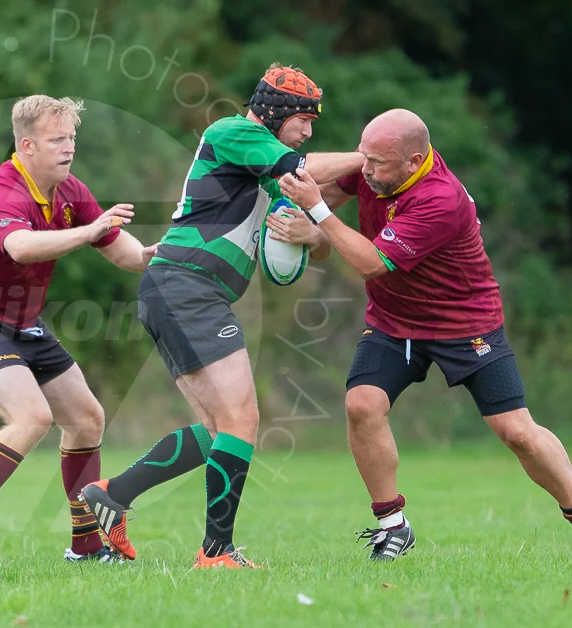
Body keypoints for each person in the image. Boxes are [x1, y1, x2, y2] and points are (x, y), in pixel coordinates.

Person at [265, 108, 572, 560]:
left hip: (464, 323)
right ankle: (392, 526)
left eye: (377, 163)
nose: (368, 172)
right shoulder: (376, 169)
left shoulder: (439, 198)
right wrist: (344, 175)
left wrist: (315, 213)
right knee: (362, 404)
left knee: (517, 432)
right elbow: (307, 179)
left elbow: (371, 262)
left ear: (414, 162)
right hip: (394, 321)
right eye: (365, 158)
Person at [80, 65, 365, 568]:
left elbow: (316, 237)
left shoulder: (267, 171)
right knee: (242, 418)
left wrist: (312, 233)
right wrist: (368, 158)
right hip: (186, 286)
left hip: (182, 291)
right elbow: (305, 167)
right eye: (303, 119)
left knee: (220, 429)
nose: (308, 130)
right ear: (276, 114)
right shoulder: (235, 133)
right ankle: (216, 553)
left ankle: (114, 495)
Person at [0, 95, 157, 566]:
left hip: (21, 322)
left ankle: (86, 548)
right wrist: (89, 233)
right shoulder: (0, 190)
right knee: (31, 417)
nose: (69, 148)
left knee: (87, 419)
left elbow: (129, 256)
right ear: (27, 145)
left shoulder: (70, 190)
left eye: (71, 137)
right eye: (57, 140)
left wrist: (169, 250)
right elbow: (21, 247)